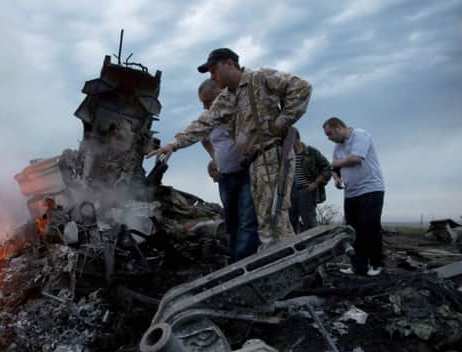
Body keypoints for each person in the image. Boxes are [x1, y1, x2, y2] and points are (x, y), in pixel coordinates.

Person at [148, 48, 312, 248]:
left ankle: (287, 264)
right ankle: (283, 263)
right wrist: (173, 145)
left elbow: (302, 88)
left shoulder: (259, 77)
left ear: (229, 64)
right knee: (267, 220)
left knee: (274, 218)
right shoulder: (227, 97)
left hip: (271, 154)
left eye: (213, 69)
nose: (212, 75)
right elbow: (203, 123)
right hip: (255, 162)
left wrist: (279, 124)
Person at [200, 79, 259, 260]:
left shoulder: (238, 111)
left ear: (220, 94)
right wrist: (215, 160)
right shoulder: (209, 119)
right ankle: (235, 263)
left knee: (248, 220)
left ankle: (245, 264)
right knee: (231, 222)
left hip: (246, 174)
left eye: (207, 101)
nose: (205, 106)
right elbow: (204, 140)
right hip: (225, 178)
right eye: (202, 103)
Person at [323, 117, 385, 276]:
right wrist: (336, 178)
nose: (329, 138)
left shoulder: (360, 135)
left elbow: (355, 159)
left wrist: (335, 164)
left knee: (369, 227)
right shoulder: (338, 146)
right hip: (351, 192)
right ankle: (358, 266)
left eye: (329, 134)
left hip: (370, 189)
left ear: (337, 128)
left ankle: (377, 264)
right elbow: (335, 167)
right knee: (353, 230)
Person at [288, 129, 332, 233]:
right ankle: (297, 248)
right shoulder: (287, 155)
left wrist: (316, 183)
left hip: (306, 190)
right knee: (290, 223)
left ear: (296, 139)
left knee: (309, 223)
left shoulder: (311, 152)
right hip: (289, 193)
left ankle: (315, 246)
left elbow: (327, 168)